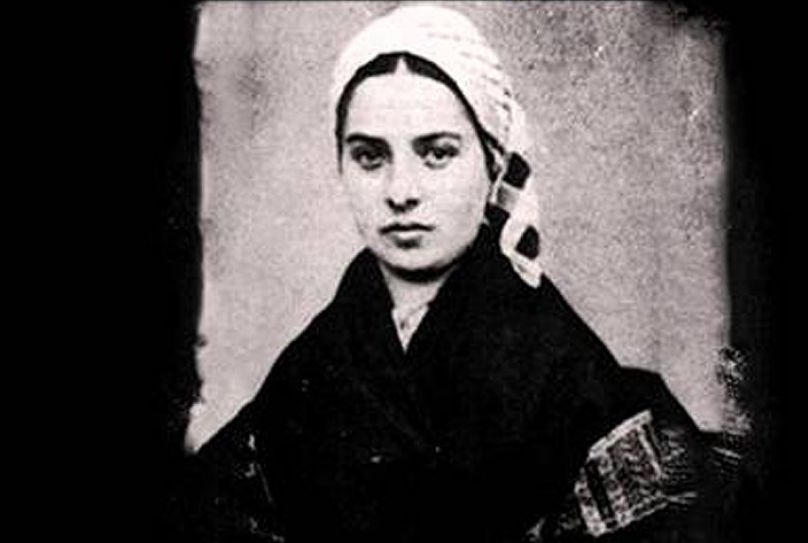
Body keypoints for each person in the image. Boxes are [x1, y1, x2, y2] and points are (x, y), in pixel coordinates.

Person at [187, 5, 718, 542]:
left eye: (437, 154)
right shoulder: (307, 374)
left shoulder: (570, 378)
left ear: (493, 163)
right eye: (370, 156)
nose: (401, 191)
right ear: (341, 166)